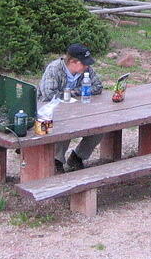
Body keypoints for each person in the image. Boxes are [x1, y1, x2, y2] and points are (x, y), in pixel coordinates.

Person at [38, 43, 105, 171]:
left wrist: (71, 93)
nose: (87, 66)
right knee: (65, 127)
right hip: (50, 112)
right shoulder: (54, 69)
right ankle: (56, 160)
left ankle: (78, 156)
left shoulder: (86, 70)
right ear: (73, 62)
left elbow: (97, 86)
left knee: (100, 126)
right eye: (84, 63)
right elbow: (49, 94)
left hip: (78, 109)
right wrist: (77, 92)